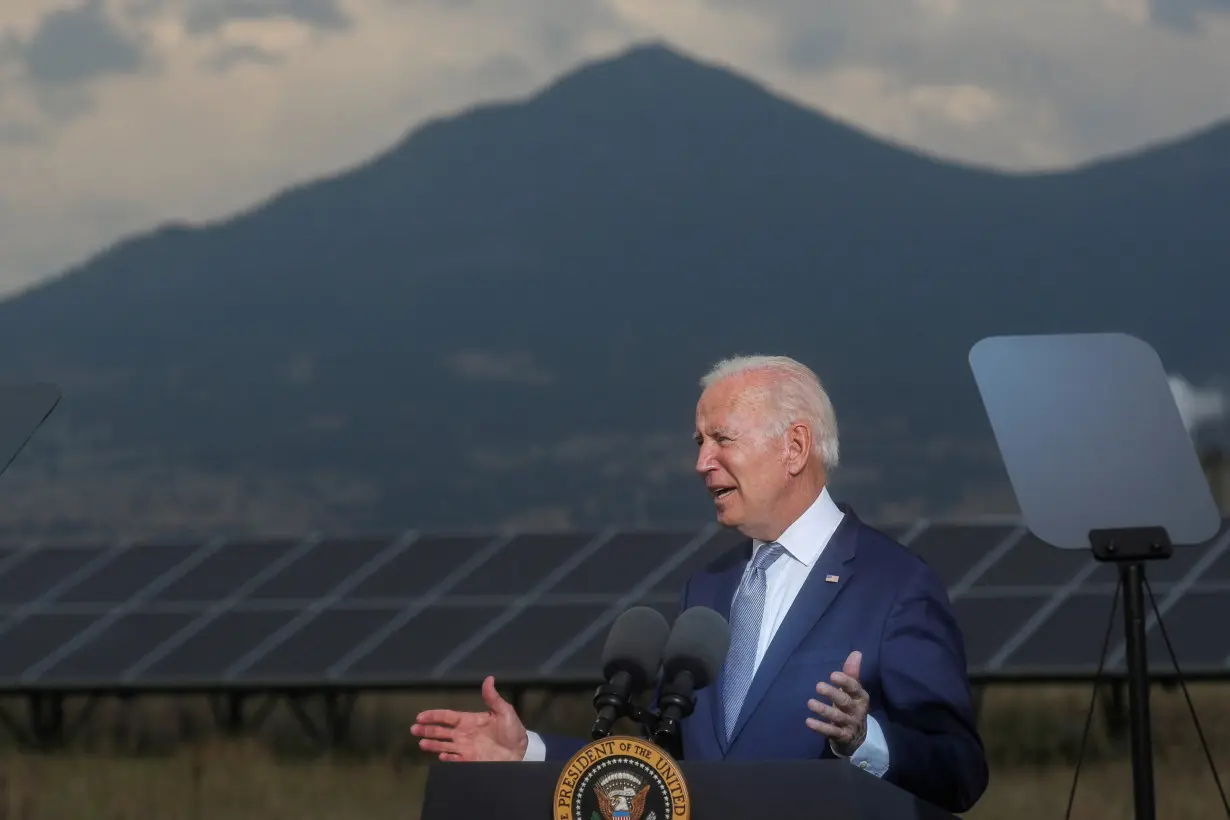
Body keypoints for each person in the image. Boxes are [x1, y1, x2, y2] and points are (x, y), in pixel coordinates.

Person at [412, 355, 988, 814]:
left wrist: (866, 741)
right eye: (699, 443)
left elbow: (960, 772)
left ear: (794, 447)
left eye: (722, 439)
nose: (701, 462)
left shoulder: (895, 585)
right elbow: (670, 766)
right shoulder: (708, 590)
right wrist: (528, 752)